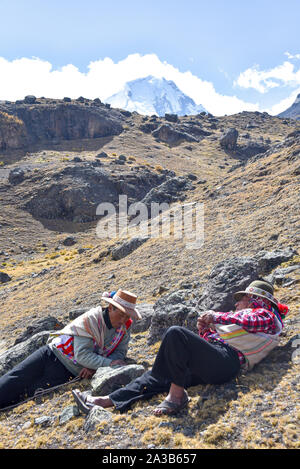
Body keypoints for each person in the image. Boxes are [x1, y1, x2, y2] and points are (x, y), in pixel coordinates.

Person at [72, 279, 288, 416]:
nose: (237, 304)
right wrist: (206, 330)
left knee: (176, 333)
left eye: (241, 300)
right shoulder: (250, 318)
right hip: (219, 361)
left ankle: (178, 397)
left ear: (254, 299)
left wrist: (215, 316)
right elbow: (223, 337)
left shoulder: (266, 315)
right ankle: (107, 401)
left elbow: (248, 320)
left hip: (229, 362)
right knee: (159, 375)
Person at [0, 289, 141, 410]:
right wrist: (107, 364)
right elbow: (83, 356)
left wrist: (97, 367)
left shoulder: (125, 327)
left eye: (127, 315)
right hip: (51, 355)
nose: (123, 320)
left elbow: (120, 353)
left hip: (69, 371)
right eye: (121, 314)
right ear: (110, 308)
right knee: (13, 380)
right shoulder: (91, 320)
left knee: (26, 394)